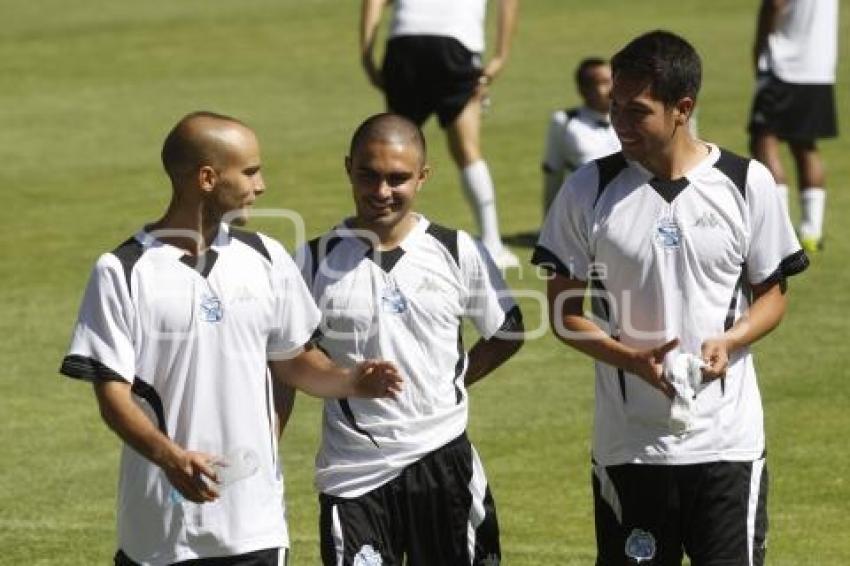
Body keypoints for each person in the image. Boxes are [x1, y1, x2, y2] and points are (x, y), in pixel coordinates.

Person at [59, 111, 402, 566]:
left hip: (253, 526)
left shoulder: (266, 256)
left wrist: (348, 381)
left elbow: (294, 361)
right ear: (207, 177)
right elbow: (113, 397)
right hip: (159, 532)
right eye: (250, 172)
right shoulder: (122, 271)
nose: (260, 187)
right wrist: (170, 458)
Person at [532, 31, 809, 565]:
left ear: (683, 109)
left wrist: (731, 339)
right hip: (630, 445)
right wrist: (629, 360)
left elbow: (772, 296)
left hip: (727, 442)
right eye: (614, 107)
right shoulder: (586, 189)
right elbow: (563, 314)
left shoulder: (745, 182)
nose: (618, 123)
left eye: (636, 112)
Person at [296, 113, 524, 565]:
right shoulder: (312, 260)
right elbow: (291, 353)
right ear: (348, 168)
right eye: (369, 175)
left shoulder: (457, 249)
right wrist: (346, 380)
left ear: (422, 177)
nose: (382, 191)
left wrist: (452, 380)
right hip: (354, 472)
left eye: (397, 178)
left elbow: (507, 330)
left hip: (443, 460)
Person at [360, 0, 521, 269]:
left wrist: (367, 55)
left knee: (394, 153)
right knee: (467, 151)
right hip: (455, 45)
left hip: (403, 44)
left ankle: (379, 240)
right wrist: (500, 57)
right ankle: (493, 245)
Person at [748, 0, 839, 252]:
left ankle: (779, 230)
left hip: (785, 64)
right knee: (805, 146)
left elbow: (775, 3)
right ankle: (812, 231)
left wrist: (759, 44)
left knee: (764, 141)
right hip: (819, 66)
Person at [541, 57, 620, 216]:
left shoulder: (631, 120)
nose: (610, 90)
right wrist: (549, 223)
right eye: (602, 83)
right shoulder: (564, 121)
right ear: (583, 90)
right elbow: (553, 174)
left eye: (611, 82)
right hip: (584, 210)